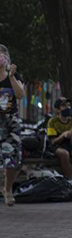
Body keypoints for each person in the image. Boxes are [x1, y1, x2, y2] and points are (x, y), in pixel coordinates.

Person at [0, 44, 25, 207]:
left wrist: (11, 76)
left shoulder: (14, 75)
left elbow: (20, 94)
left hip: (11, 120)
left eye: (2, 55)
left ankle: (7, 190)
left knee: (13, 156)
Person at [47, 97, 72, 180]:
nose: (67, 107)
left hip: (69, 146)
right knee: (64, 154)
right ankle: (69, 179)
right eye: (64, 106)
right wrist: (63, 135)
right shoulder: (52, 122)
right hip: (57, 146)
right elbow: (53, 142)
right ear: (57, 110)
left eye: (68, 105)